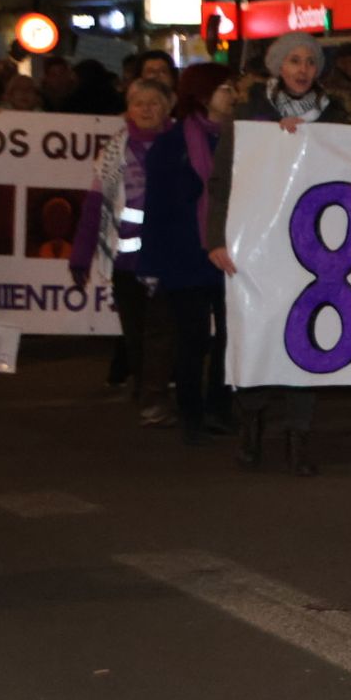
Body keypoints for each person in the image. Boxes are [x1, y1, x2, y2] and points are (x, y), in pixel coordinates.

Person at [206, 33, 351, 475]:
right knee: (257, 336)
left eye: (310, 61)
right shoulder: (248, 118)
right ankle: (251, 427)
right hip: (257, 244)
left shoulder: (337, 116)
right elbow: (221, 185)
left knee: (306, 339)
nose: (303, 69)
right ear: (277, 67)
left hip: (314, 247)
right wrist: (216, 239)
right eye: (293, 61)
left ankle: (298, 440)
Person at [138, 64, 237, 446]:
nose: (232, 95)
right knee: (192, 339)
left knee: (230, 336)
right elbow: (158, 207)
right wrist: (152, 263)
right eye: (225, 88)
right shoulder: (173, 144)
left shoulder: (242, 139)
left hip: (229, 253)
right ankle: (191, 412)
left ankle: (220, 408)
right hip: (186, 254)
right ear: (203, 94)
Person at [69, 78, 176, 425]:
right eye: (138, 102)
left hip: (171, 255)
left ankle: (154, 399)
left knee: (162, 330)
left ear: (168, 106)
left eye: (154, 102)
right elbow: (95, 206)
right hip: (127, 259)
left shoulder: (183, 146)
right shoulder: (113, 151)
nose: (146, 109)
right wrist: (81, 255)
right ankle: (146, 388)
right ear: (128, 108)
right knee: (136, 331)